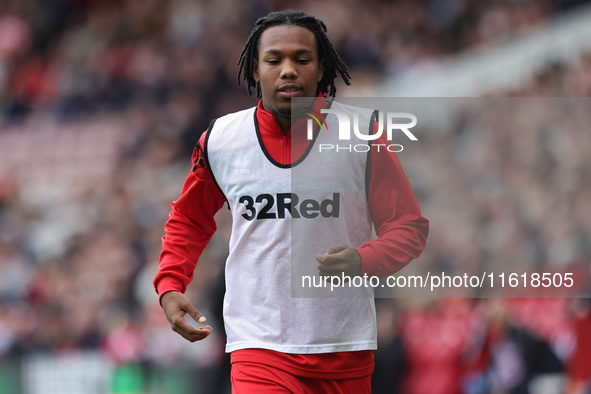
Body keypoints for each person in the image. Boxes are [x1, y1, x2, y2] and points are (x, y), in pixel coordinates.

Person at [153, 9, 429, 393]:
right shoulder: (220, 140)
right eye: (274, 59)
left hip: (343, 347)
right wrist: (170, 284)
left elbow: (408, 228)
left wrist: (365, 259)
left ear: (321, 68)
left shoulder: (363, 135)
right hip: (258, 347)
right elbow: (188, 219)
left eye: (302, 59)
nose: (288, 70)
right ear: (254, 69)